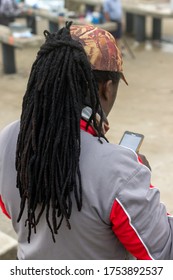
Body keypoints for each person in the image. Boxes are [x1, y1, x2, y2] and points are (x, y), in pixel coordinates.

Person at [0, 21, 173, 260]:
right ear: (107, 89)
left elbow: (12, 210)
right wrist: (139, 187)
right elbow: (161, 256)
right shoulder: (121, 171)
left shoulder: (8, 139)